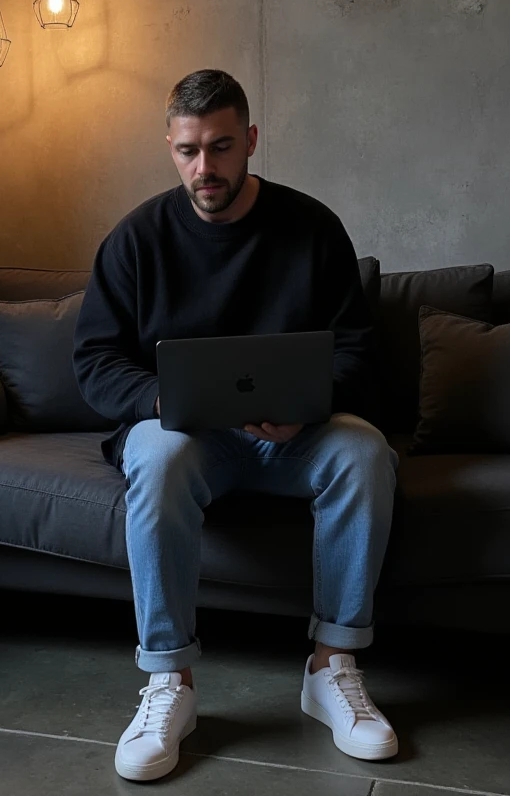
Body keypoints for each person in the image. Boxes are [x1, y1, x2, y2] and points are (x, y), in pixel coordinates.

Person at [73, 69, 399, 782]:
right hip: (190, 439)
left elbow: (358, 351)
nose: (205, 168)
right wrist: (164, 402)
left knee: (367, 451)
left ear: (250, 140)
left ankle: (331, 666)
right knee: (154, 455)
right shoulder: (135, 240)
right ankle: (170, 684)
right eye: (188, 150)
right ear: (169, 144)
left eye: (221, 147)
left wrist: (307, 405)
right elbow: (94, 362)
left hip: (298, 436)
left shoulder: (312, 227)